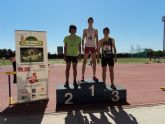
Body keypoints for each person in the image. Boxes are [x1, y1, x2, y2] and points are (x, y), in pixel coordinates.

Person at [81, 17, 99, 82]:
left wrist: (97, 47)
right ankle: (82, 76)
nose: (90, 22)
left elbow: (97, 39)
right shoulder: (85, 30)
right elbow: (82, 38)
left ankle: (94, 76)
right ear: (88, 22)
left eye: (91, 21)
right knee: (84, 62)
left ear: (93, 22)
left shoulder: (96, 30)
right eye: (89, 21)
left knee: (94, 62)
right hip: (87, 46)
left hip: (93, 47)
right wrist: (82, 47)